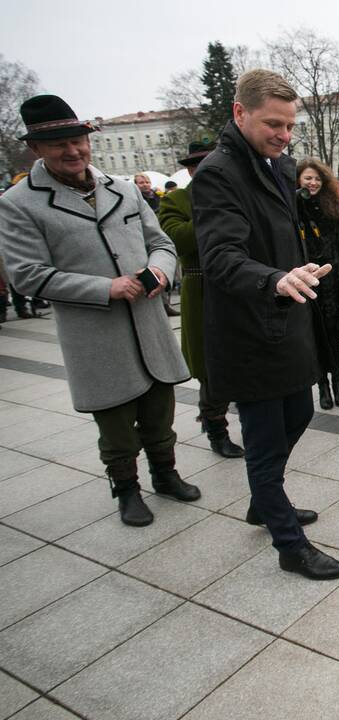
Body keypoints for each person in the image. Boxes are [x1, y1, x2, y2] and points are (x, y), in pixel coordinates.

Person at [0, 94, 199, 526]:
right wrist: (104, 288)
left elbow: (161, 243)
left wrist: (160, 272)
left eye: (78, 140)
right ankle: (126, 489)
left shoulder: (122, 188)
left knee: (159, 413)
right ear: (36, 149)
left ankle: (165, 474)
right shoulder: (19, 204)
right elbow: (27, 275)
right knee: (115, 425)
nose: (73, 151)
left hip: (148, 324)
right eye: (59, 145)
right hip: (95, 335)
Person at [192, 69, 339, 580]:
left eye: (289, 125)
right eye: (272, 124)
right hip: (248, 329)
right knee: (263, 439)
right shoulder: (219, 172)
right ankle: (288, 544)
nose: (283, 135)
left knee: (298, 414)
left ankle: (265, 500)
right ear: (240, 113)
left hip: (287, 319)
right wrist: (275, 280)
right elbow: (219, 257)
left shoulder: (276, 165)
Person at [158, 141, 244, 458]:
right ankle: (216, 428)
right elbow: (178, 239)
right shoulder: (176, 200)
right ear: (191, 169)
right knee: (212, 368)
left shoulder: (236, 193)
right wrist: (210, 211)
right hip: (202, 291)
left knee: (244, 361)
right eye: (199, 164)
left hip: (239, 287)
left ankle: (251, 423)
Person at [296, 157, 339, 409]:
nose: (312, 183)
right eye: (307, 178)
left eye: (316, 178)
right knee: (315, 337)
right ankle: (321, 384)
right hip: (306, 282)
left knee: (333, 337)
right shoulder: (294, 206)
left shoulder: (334, 207)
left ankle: (338, 383)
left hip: (333, 283)